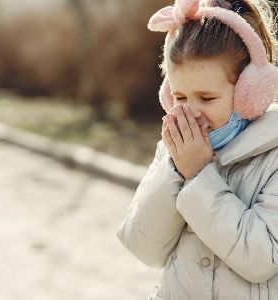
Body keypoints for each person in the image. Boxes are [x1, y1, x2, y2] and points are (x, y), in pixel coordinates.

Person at [115, 0, 278, 299]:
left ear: (249, 93)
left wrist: (200, 174)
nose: (191, 113)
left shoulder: (274, 155)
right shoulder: (172, 152)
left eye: (206, 98)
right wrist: (177, 170)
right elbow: (143, 247)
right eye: (180, 97)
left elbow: (262, 259)